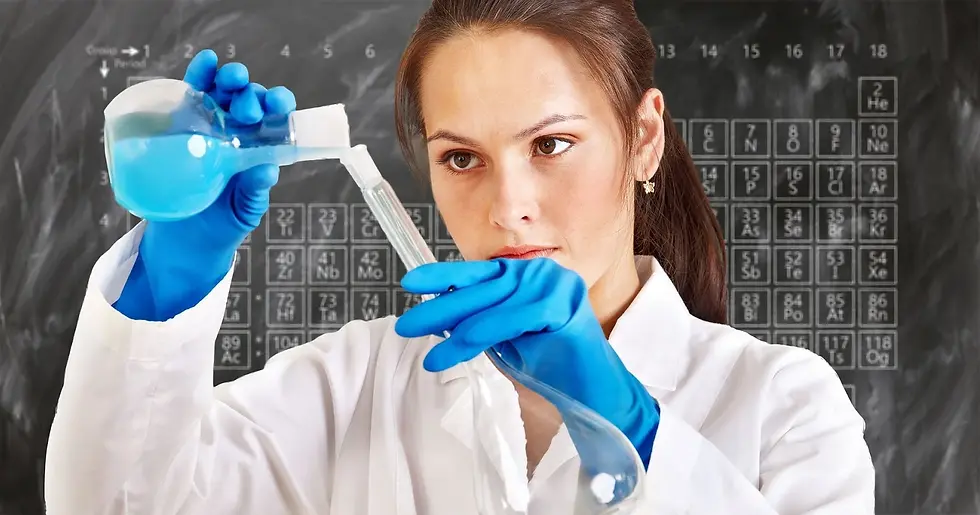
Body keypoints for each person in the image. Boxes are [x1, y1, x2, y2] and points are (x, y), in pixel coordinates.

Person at [44, 0, 875, 513]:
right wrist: (169, 279)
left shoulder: (783, 407)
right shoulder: (357, 385)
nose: (507, 204)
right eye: (461, 157)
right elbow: (116, 507)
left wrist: (628, 424)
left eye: (551, 143)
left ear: (644, 138)